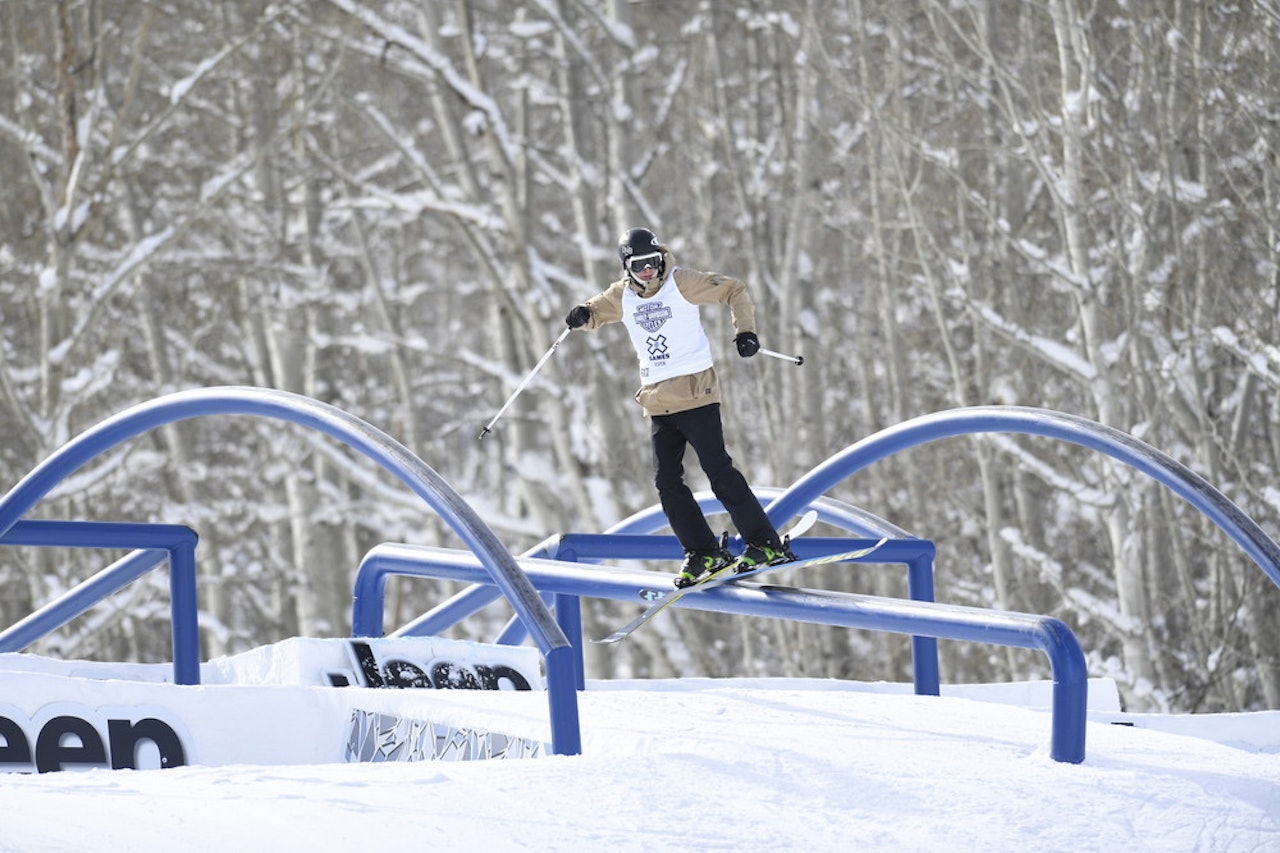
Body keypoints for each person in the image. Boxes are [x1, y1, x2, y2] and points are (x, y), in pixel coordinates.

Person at [565, 227, 794, 588]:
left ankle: (764, 543)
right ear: (627, 267)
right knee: (667, 482)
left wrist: (745, 332)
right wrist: (581, 316)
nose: (648, 272)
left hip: (696, 392)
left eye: (653, 263)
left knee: (717, 470)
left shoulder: (682, 282)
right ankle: (704, 551)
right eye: (639, 266)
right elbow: (596, 311)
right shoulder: (622, 296)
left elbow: (734, 289)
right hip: (658, 401)